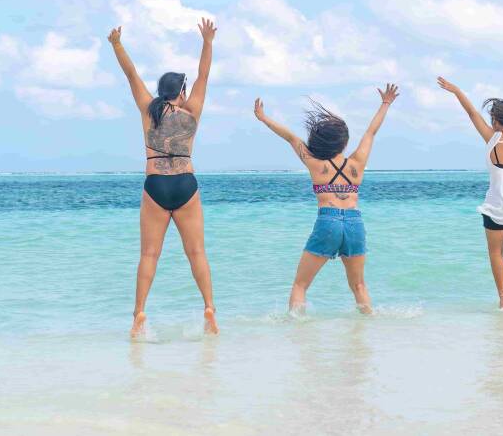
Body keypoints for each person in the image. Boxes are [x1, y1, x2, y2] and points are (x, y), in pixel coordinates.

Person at [108, 19, 219, 338]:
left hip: (156, 185)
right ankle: (209, 308)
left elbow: (131, 75)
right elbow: (204, 75)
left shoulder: (148, 110)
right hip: (185, 184)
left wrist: (117, 45)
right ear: (182, 92)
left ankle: (139, 314)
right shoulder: (191, 111)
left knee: (149, 255)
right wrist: (207, 42)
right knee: (196, 253)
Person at [253, 85, 399, 314]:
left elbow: (290, 138)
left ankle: (296, 327)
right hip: (354, 222)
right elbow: (371, 132)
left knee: (301, 285)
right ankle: (368, 326)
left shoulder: (314, 163)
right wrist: (385, 104)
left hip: (328, 221)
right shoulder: (357, 163)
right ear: (344, 143)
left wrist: (263, 118)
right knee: (359, 286)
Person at [437, 61, 503, 309]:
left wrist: (456, 90)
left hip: (496, 207)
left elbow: (471, 113)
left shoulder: (491, 138)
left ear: (495, 120)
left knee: (496, 253)